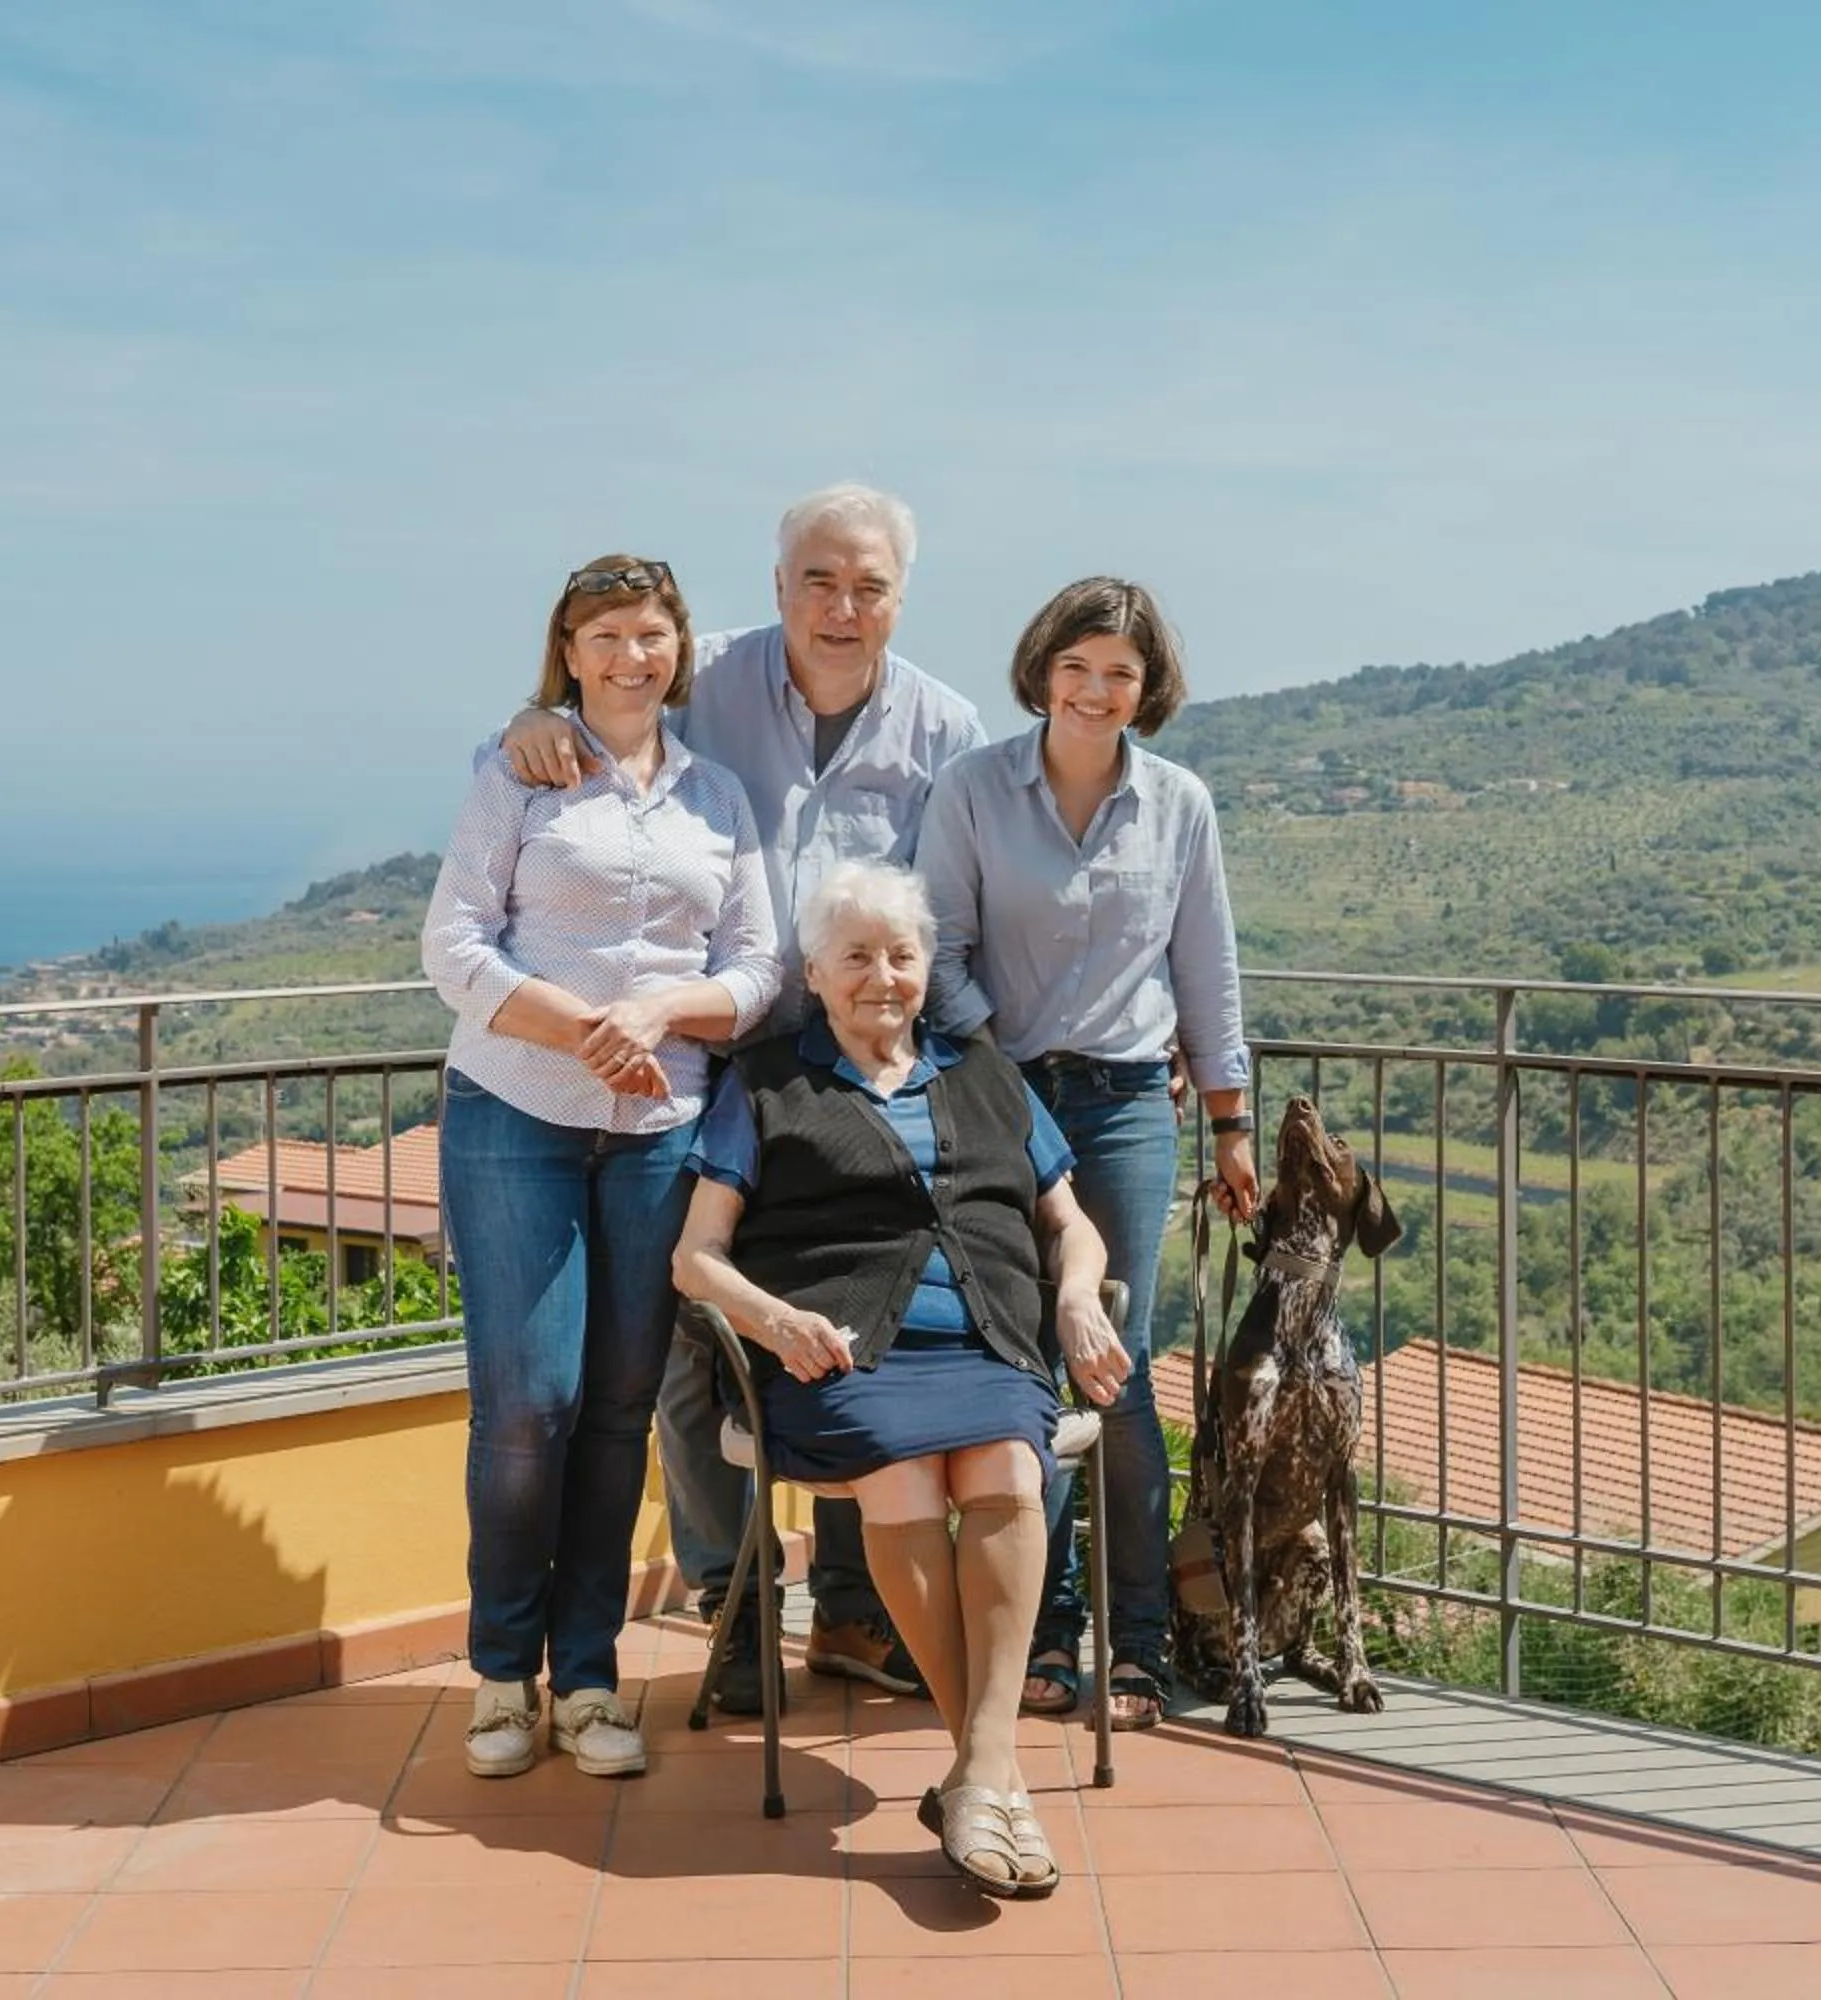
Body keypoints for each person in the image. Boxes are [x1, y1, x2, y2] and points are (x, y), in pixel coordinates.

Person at [504, 485, 985, 1713]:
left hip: (853, 1072)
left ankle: (859, 1614)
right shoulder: (701, 678)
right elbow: (600, 688)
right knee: (689, 1344)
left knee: (857, 1316)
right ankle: (733, 1596)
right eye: (817, 580)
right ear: (777, 586)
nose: (840, 606)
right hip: (710, 1062)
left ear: (899, 597)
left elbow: (943, 915)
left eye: (867, 585)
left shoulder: (946, 726)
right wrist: (534, 715)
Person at [671, 861, 1123, 1897]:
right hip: (837, 1357)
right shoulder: (768, 1082)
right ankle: (994, 1770)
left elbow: (1069, 1222)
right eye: (858, 956)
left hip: (988, 1344)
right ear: (816, 974)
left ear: (929, 970)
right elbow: (695, 1257)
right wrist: (776, 1319)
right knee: (905, 1476)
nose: (884, 975)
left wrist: (1076, 1297)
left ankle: (976, 1768)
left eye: (903, 955)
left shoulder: (984, 1072)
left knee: (1009, 1467)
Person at [422, 555, 780, 1780]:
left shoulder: (718, 797)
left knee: (621, 1406)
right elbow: (453, 945)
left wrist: (666, 1007)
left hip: (658, 1132)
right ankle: (498, 1676)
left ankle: (585, 1679)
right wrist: (580, 1029)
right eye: (608, 635)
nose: (635, 655)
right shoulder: (517, 768)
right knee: (528, 1405)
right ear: (569, 650)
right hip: (516, 1110)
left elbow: (758, 967)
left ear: (680, 648)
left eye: (653, 633)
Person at [916, 575, 1259, 1732]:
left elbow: (1206, 969)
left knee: (1119, 1367)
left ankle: (1139, 1642)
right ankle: (1049, 1632)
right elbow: (941, 947)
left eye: (1122, 670)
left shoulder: (1180, 804)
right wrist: (996, 1077)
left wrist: (1229, 1119)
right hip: (995, 1094)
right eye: (1079, 664)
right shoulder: (971, 790)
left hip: (1121, 1104)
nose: (1098, 688)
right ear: (1042, 667)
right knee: (1021, 1363)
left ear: (1148, 684)